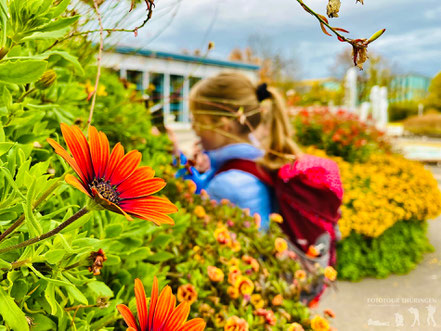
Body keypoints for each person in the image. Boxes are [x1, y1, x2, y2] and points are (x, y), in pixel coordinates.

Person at [174, 72, 301, 231]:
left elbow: (191, 222)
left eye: (198, 121)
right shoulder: (255, 160)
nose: (194, 128)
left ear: (224, 125)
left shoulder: (228, 184)